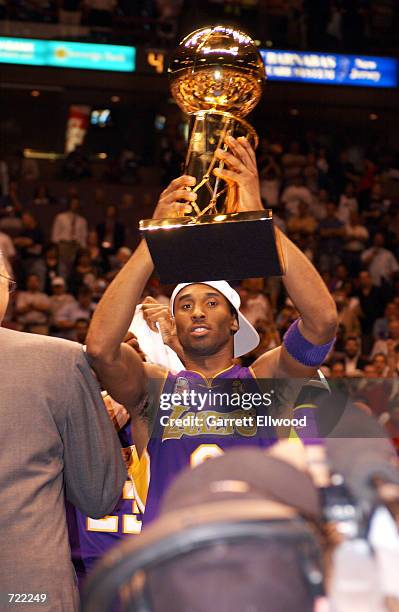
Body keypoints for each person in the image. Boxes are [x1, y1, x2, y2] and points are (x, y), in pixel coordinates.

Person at [86, 136, 337, 524]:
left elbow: (322, 323)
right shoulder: (152, 388)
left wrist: (261, 226)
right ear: (176, 323)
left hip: (256, 565)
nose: (197, 312)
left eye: (211, 303)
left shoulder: (266, 382)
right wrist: (154, 241)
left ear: (235, 320)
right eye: (185, 305)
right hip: (173, 568)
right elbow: (101, 349)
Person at [0, 250, 126, 612]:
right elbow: (98, 495)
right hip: (26, 592)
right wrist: (101, 430)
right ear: (7, 292)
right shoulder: (59, 359)